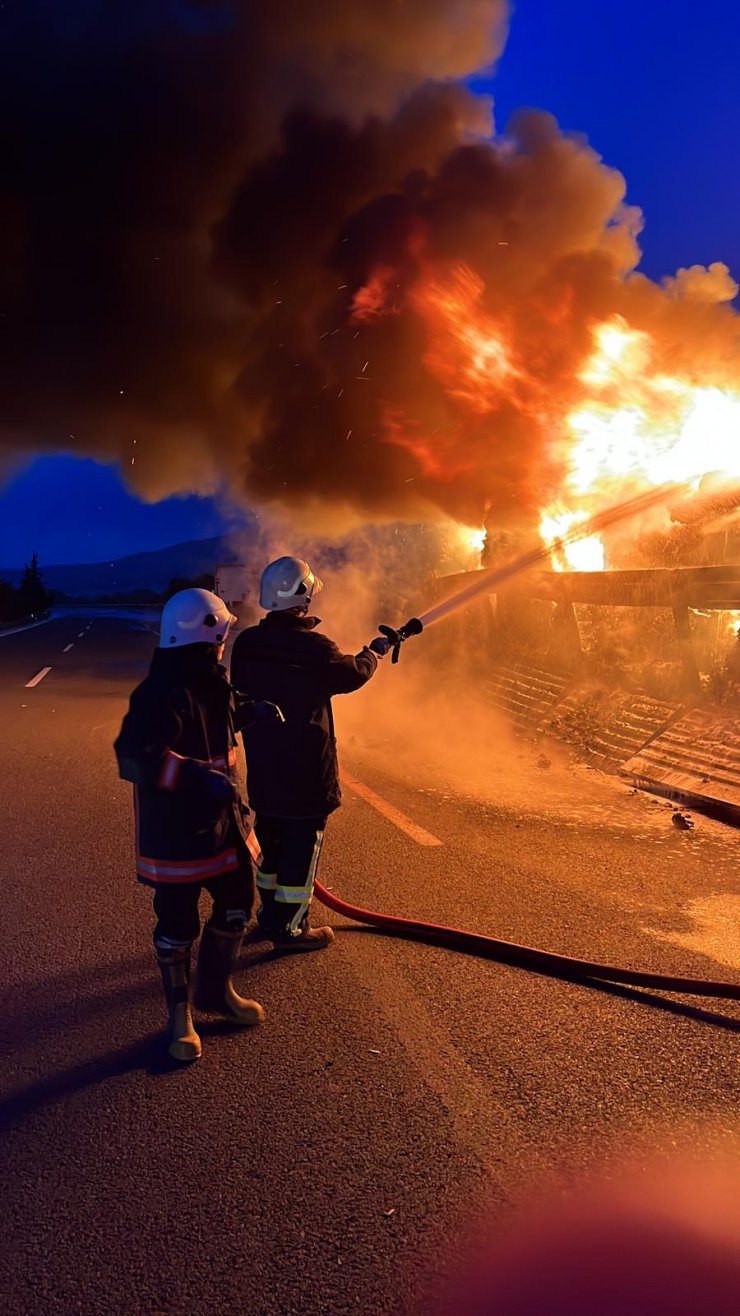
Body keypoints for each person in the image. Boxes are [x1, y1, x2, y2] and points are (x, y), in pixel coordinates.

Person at [114, 587, 282, 1062]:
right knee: (177, 926)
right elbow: (133, 755)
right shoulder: (158, 693)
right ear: (205, 636)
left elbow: (218, 719)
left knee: (237, 906)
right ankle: (179, 1018)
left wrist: (250, 711)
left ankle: (217, 991)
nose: (225, 642)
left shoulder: (212, 681)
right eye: (221, 634)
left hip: (224, 827)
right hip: (177, 838)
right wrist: (193, 777)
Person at [230, 556, 389, 952]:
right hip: (306, 772)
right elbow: (352, 673)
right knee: (301, 849)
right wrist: (374, 653)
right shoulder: (314, 647)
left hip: (265, 766)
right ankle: (292, 930)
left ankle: (270, 917)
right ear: (302, 597)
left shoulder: (247, 644)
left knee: (270, 843)